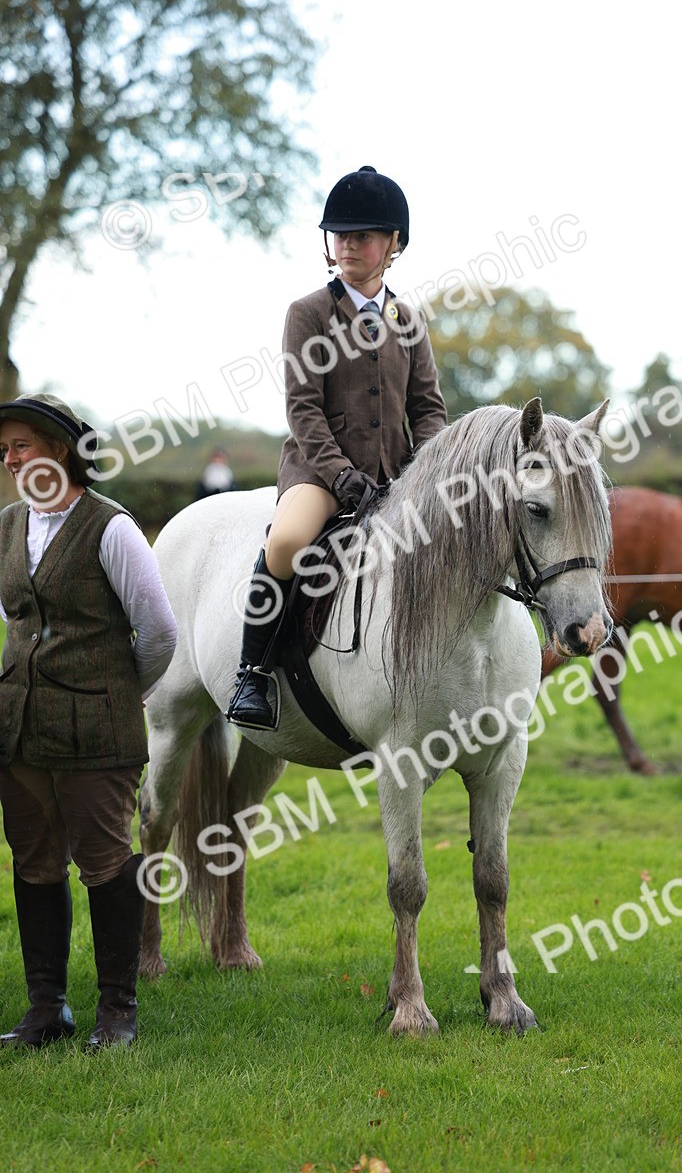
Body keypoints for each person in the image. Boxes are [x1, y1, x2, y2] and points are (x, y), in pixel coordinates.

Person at [227, 165, 447, 730]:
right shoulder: (309, 313)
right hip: (320, 474)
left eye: (364, 236)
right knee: (289, 543)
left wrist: (428, 471)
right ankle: (253, 672)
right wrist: (342, 474)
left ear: (392, 245)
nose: (350, 245)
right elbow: (303, 408)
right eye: (341, 235)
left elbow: (427, 409)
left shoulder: (409, 319)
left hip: (397, 474)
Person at [0, 393, 178, 1050]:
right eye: (5, 451)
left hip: (98, 733)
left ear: (59, 449)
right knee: (34, 862)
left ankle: (117, 1013)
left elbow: (158, 631)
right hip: (18, 731)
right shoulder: (7, 525)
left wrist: (118, 690)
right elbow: (16, 620)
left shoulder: (112, 526)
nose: (12, 460)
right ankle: (46, 1009)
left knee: (105, 864)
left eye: (22, 446)